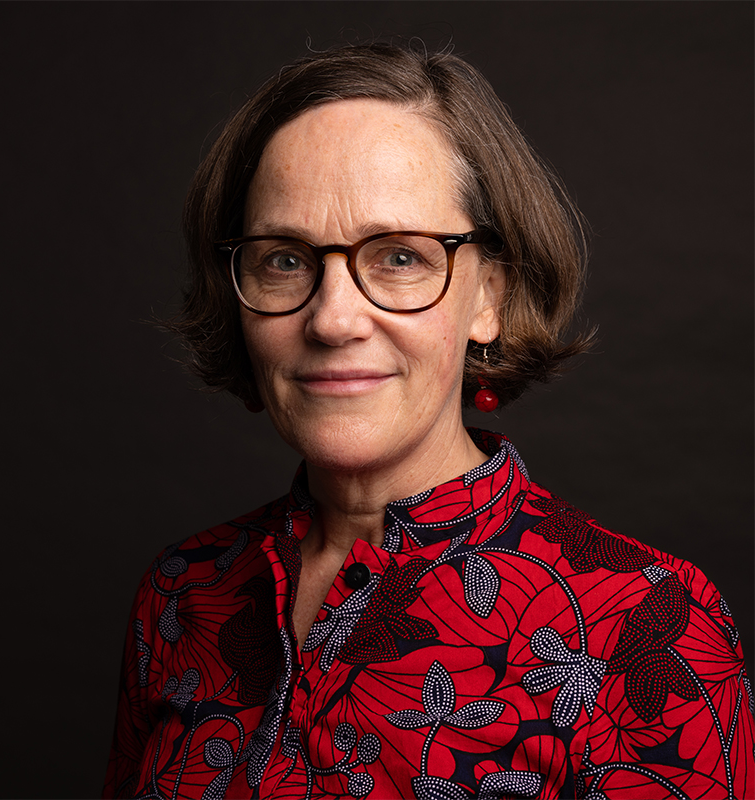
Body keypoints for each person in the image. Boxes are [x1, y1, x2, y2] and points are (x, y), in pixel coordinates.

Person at [103, 42, 754, 799]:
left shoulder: (646, 624)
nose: (334, 318)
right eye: (284, 259)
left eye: (401, 257)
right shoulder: (182, 595)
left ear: (491, 297)